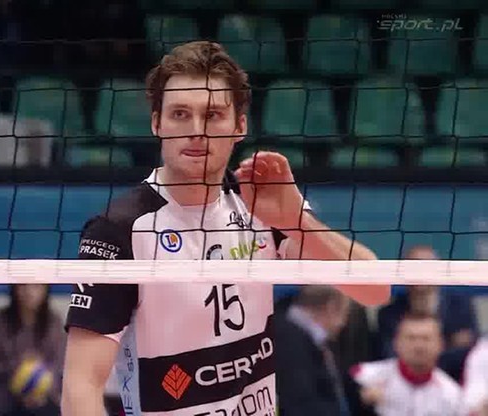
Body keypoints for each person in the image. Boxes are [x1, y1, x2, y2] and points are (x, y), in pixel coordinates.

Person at [61, 41, 390, 416]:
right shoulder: (119, 230)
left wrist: (295, 221)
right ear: (156, 123)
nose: (197, 130)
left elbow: (375, 289)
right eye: (180, 114)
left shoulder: (258, 199)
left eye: (213, 115)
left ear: (239, 126)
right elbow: (80, 387)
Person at [350, 313, 462, 416]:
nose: (419, 346)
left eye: (426, 339)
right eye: (411, 338)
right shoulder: (366, 376)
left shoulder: (452, 395)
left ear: (440, 345)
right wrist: (362, 401)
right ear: (396, 343)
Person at [377, 245, 478, 359]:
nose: (420, 273)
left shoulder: (460, 306)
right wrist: (448, 343)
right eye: (414, 267)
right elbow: (390, 354)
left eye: (426, 267)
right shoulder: (389, 314)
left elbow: (470, 350)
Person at [0, 284, 66, 416]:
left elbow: (59, 365)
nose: (29, 292)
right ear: (14, 288)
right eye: (23, 286)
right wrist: (22, 373)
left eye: (36, 286)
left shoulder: (54, 322)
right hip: (6, 396)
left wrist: (39, 380)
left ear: (45, 289)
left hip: (47, 396)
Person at [275, 286, 352, 416]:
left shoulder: (307, 336)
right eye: (345, 313)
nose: (343, 323)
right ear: (331, 307)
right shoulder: (288, 339)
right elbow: (301, 402)